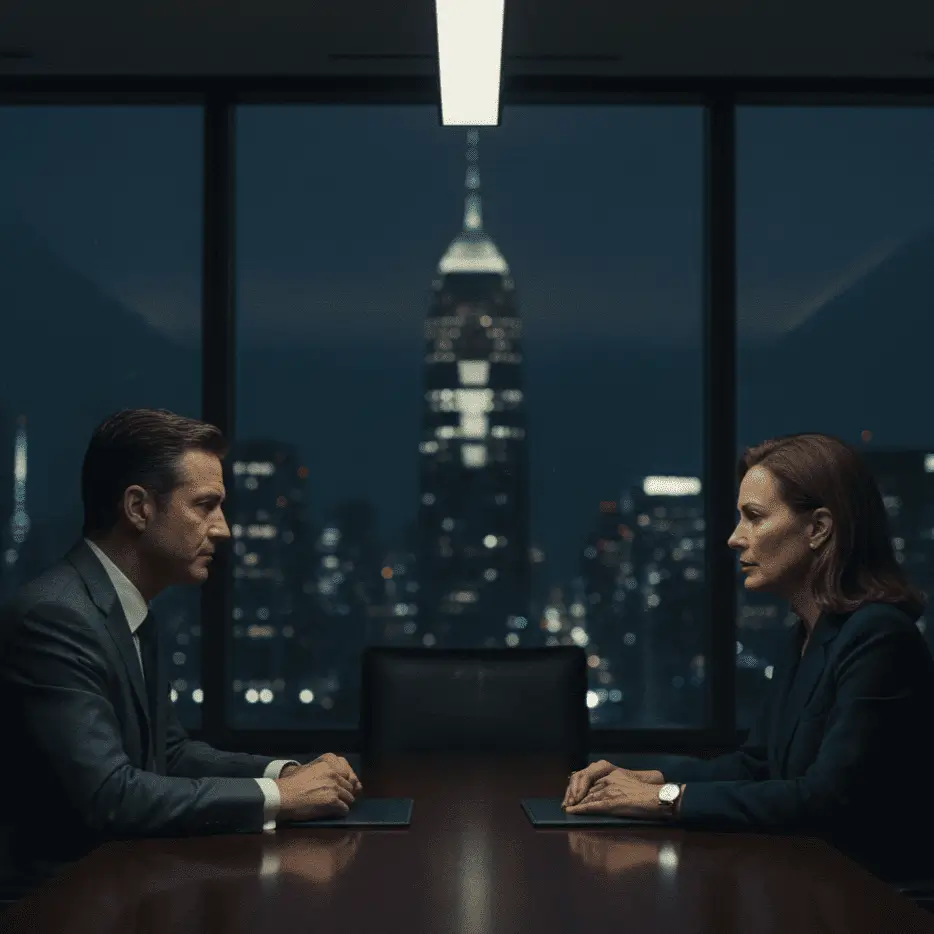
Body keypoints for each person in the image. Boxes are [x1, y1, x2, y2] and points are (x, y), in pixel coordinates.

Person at [0, 408, 362, 902]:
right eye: (205, 505)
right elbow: (109, 796)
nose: (224, 529)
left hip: (120, 886)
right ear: (138, 508)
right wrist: (281, 798)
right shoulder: (55, 617)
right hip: (56, 905)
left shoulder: (125, 607)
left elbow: (168, 755)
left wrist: (285, 774)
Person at [561, 432, 934, 883]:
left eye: (754, 518)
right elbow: (758, 765)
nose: (735, 539)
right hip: (810, 882)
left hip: (872, 902)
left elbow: (827, 800)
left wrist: (663, 800)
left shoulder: (880, 638)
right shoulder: (803, 635)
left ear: (818, 528)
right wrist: (645, 778)